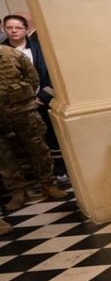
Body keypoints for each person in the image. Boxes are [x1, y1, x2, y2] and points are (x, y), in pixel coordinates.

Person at [0, 44, 67, 211]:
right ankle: (18, 191)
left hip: (23, 111)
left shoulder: (13, 54)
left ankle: (48, 183)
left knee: (37, 147)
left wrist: (22, 96)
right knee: (4, 155)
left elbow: (33, 77)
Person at [2, 14, 59, 175]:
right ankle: (35, 176)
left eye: (18, 27)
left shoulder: (39, 48)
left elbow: (51, 75)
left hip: (41, 101)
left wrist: (42, 97)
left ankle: (57, 173)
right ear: (4, 29)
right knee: (21, 145)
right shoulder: (2, 51)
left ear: (26, 29)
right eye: (9, 28)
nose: (14, 31)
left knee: (48, 139)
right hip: (13, 108)